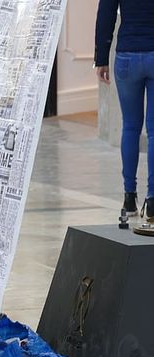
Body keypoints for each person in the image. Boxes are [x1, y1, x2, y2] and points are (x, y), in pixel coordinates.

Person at [95, 0, 154, 219]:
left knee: (130, 127)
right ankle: (152, 200)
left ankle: (129, 199)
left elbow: (106, 14)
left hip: (127, 55)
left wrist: (101, 58)